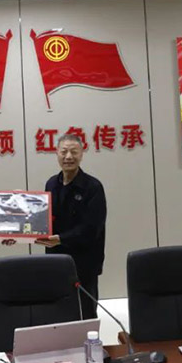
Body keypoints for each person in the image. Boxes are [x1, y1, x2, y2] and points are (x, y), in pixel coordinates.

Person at [38, 133, 107, 319]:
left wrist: (61, 239)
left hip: (84, 264)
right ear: (57, 154)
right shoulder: (51, 184)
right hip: (56, 261)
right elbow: (44, 218)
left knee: (86, 314)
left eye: (74, 152)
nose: (68, 157)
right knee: (58, 313)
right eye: (64, 152)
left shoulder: (93, 187)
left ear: (82, 154)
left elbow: (92, 228)